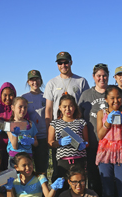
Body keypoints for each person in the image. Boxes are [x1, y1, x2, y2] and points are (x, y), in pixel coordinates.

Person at [44, 51, 90, 182]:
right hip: (59, 130)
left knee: (80, 175)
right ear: (57, 65)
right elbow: (48, 109)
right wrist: (50, 131)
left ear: (71, 62)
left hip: (77, 127)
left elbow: (85, 105)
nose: (63, 65)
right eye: (60, 63)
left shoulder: (81, 81)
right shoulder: (51, 83)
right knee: (59, 171)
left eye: (66, 62)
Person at [78, 63, 111, 197]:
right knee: (93, 177)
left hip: (111, 145)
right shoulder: (86, 95)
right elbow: (79, 117)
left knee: (110, 179)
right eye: (99, 76)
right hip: (92, 143)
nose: (101, 78)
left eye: (104, 76)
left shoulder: (114, 93)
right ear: (93, 77)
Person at [48, 94, 88, 196]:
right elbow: (50, 142)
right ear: (60, 107)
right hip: (63, 162)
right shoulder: (55, 123)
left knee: (79, 188)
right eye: (64, 106)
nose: (68, 109)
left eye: (70, 106)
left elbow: (87, 142)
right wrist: (59, 143)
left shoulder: (81, 122)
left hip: (79, 160)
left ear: (74, 107)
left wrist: (84, 144)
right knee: (63, 188)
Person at [0, 82, 28, 170]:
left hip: (15, 148)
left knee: (13, 173)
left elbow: (26, 124)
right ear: (0, 95)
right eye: (5, 95)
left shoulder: (18, 108)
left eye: (11, 95)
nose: (8, 98)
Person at [21, 70, 48, 174]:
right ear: (28, 82)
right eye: (32, 80)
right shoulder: (24, 97)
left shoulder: (46, 96)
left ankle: (43, 189)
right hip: (28, 138)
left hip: (42, 137)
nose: (35, 82)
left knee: (42, 169)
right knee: (27, 169)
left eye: (37, 79)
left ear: (41, 81)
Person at [6, 97, 38, 168]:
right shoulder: (9, 125)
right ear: (13, 108)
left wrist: (32, 141)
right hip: (15, 157)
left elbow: (36, 143)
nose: (23, 109)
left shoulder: (30, 124)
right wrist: (15, 135)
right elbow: (15, 146)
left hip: (28, 157)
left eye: (25, 107)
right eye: (20, 107)